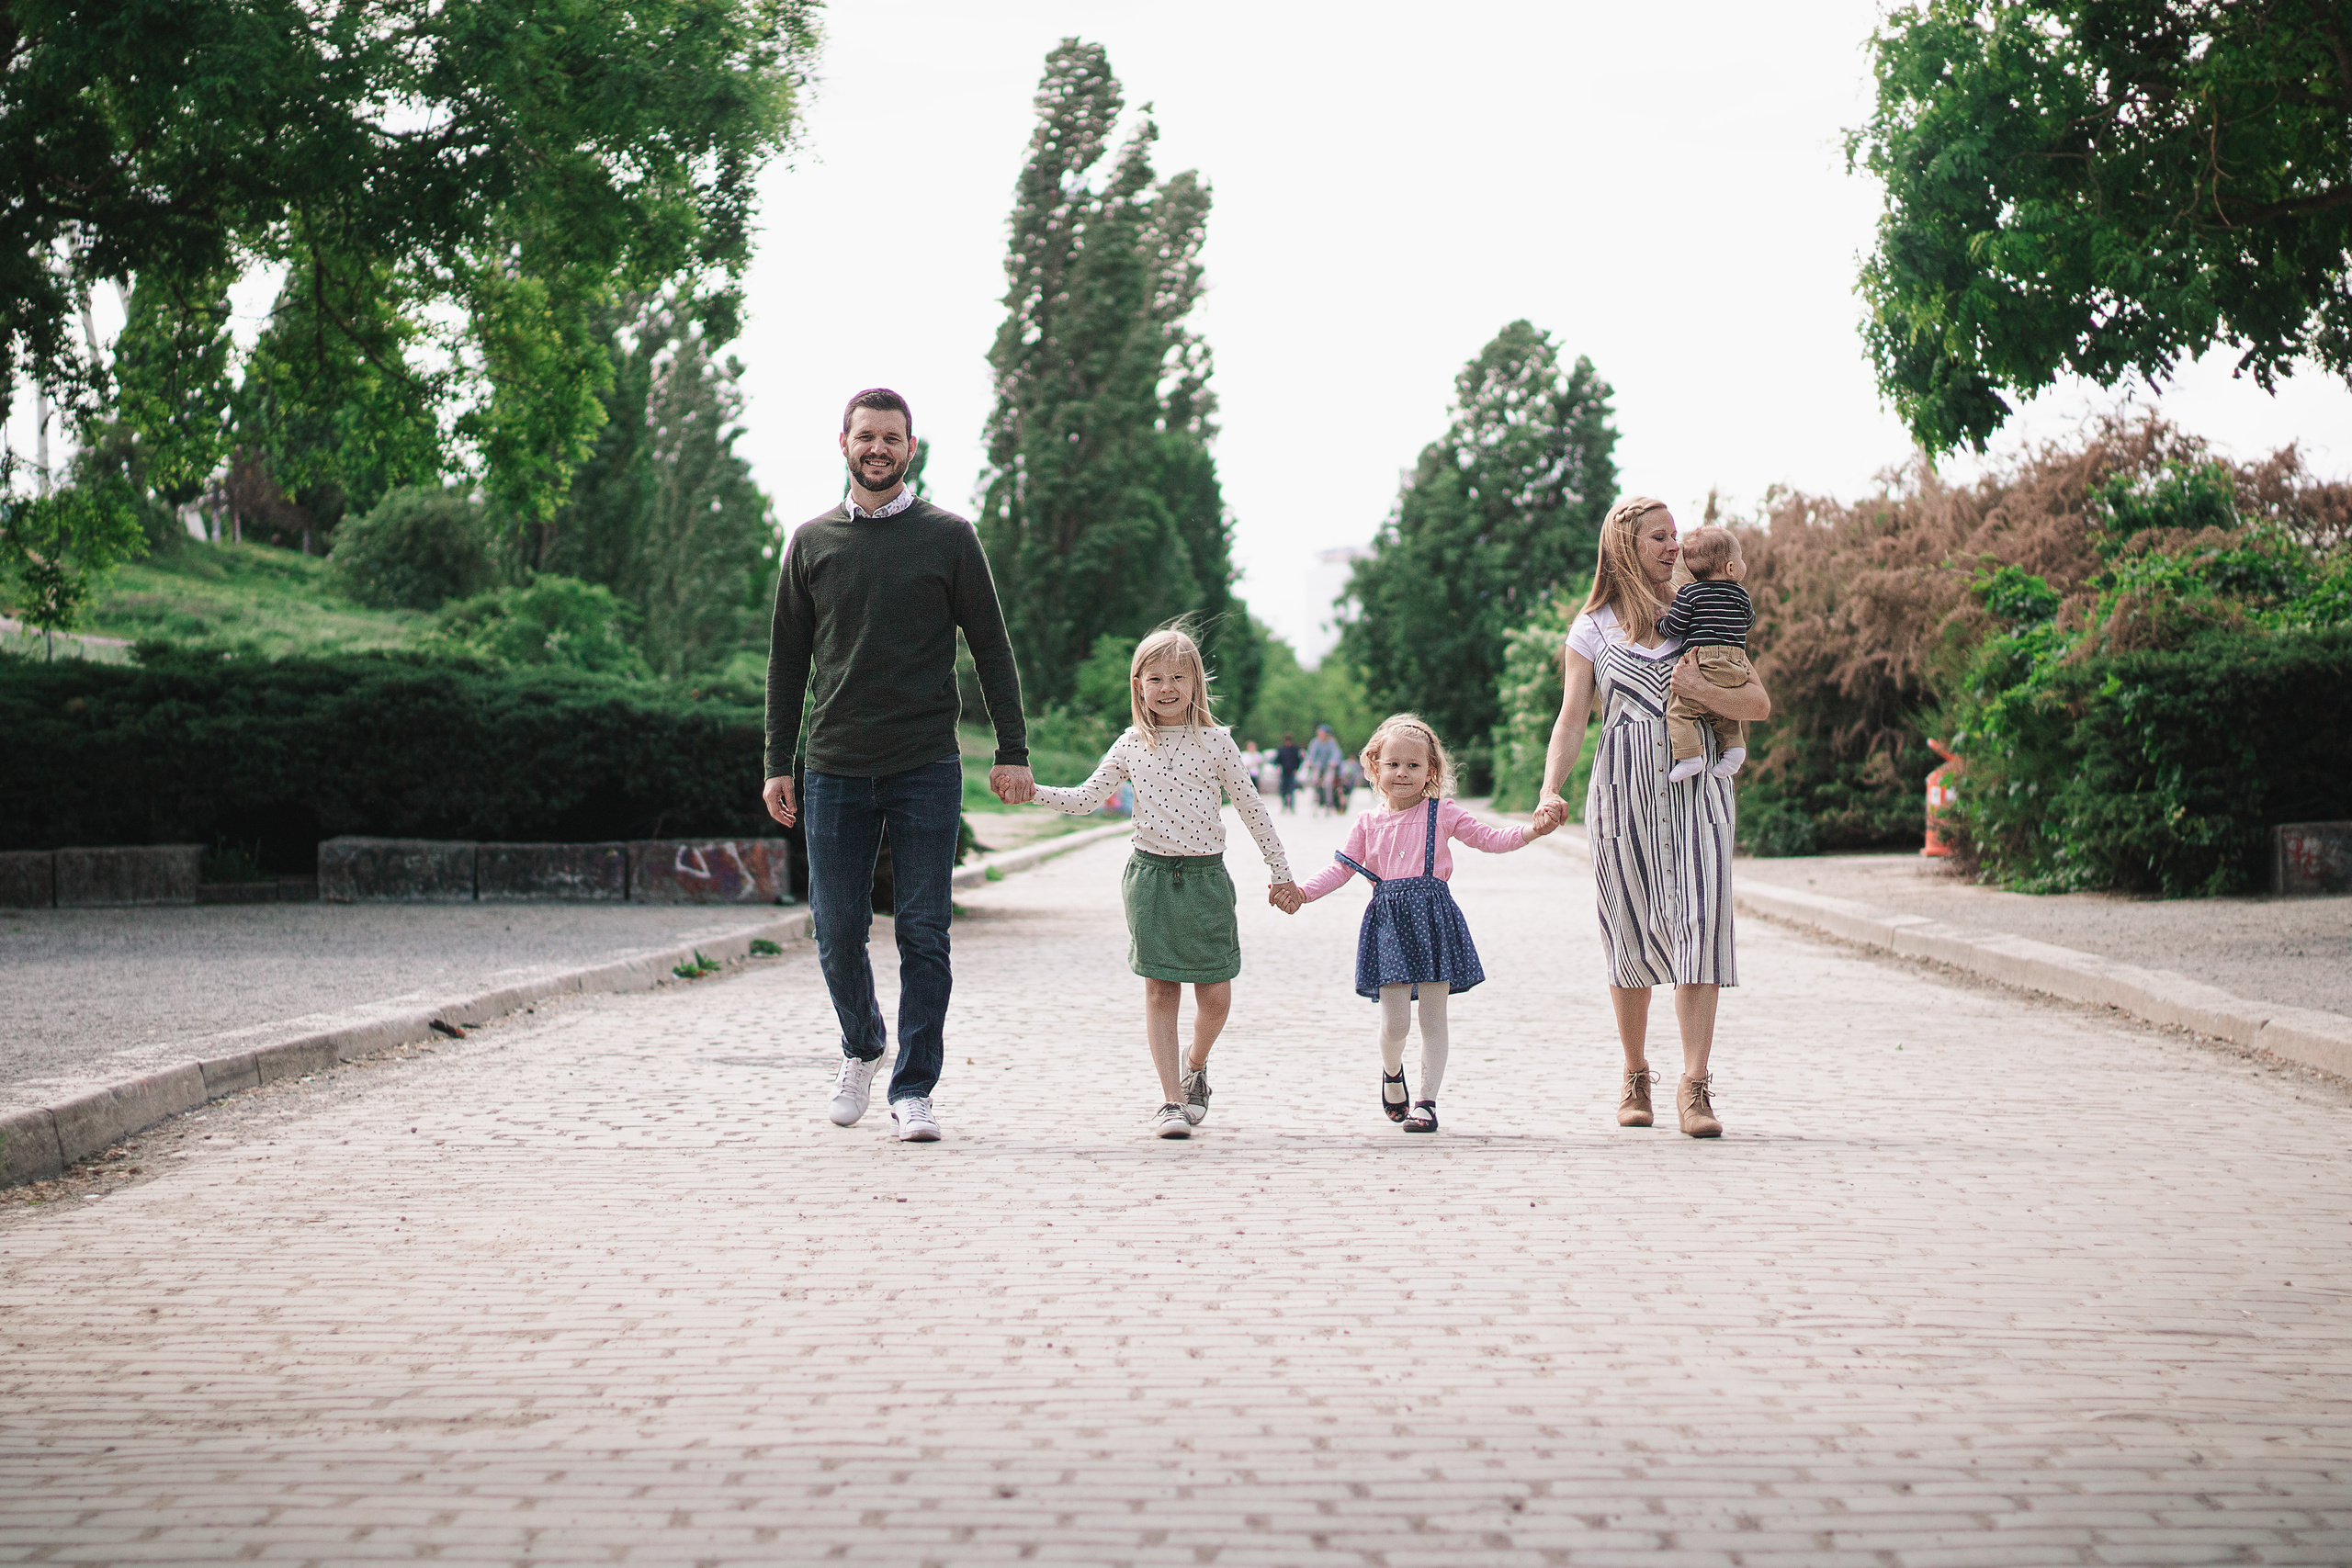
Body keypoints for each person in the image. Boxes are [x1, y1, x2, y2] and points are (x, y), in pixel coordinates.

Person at [762, 388, 1034, 1145]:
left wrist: (1012, 748)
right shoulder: (811, 542)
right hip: (834, 766)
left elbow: (992, 648)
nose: (878, 448)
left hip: (924, 766)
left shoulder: (949, 537)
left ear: (912, 447)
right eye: (866, 436)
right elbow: (787, 662)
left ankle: (914, 1088)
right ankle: (861, 1044)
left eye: (892, 438)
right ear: (843, 443)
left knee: (924, 930)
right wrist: (776, 761)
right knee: (835, 926)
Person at [1531, 497, 1771, 1137]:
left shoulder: (1706, 610)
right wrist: (1550, 788)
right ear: (1625, 546)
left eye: (1676, 535)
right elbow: (1572, 716)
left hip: (1700, 792)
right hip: (1621, 793)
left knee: (1702, 924)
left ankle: (1695, 1086)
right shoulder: (1593, 628)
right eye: (1659, 537)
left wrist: (1703, 693)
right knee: (1629, 932)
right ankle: (1636, 1072)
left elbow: (1755, 699)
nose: (1673, 546)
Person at [1023, 626, 1301, 1138]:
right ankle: (1170, 1100)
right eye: (1156, 678)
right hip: (1149, 878)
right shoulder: (1131, 745)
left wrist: (1280, 872)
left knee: (1215, 992)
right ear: (1139, 686)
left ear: (1196, 684)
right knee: (1160, 990)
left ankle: (1196, 1066)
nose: (1167, 687)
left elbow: (1251, 809)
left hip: (1205, 879)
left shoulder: (1217, 743)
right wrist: (1033, 791)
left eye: (1178, 677)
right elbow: (1087, 798)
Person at [1294, 714, 1553, 1133]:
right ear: (1375, 766)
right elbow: (1340, 870)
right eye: (1393, 764)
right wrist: (1302, 892)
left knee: (1434, 1018)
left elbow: (1490, 838)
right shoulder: (1367, 823)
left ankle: (1427, 1102)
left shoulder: (1443, 813)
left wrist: (1532, 831)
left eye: (1414, 766)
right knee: (1395, 1022)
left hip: (1435, 921)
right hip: (1389, 925)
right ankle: (1392, 1072)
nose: (1402, 773)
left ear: (1430, 771)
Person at [1659, 526, 1756, 783]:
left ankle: (1690, 756)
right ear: (1731, 568)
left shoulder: (1689, 593)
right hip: (1736, 664)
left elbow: (1675, 626)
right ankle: (1734, 750)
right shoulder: (1742, 595)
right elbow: (1748, 622)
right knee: (1724, 713)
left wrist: (1660, 624)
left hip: (1703, 661)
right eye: (1741, 558)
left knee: (1680, 711)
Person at [1304, 724, 1343, 813]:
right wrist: (1310, 762)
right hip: (1318, 766)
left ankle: (1328, 803)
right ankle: (1316, 802)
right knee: (1315, 781)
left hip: (1329, 766)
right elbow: (1312, 754)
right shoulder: (1315, 742)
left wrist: (1334, 761)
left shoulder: (1332, 742)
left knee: (1328, 783)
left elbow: (1336, 753)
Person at [1274, 733, 1304, 813]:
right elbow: (1277, 760)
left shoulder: (1295, 749)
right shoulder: (1281, 749)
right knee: (1283, 791)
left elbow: (1299, 760)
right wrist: (1278, 768)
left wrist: (1296, 769)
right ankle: (1284, 806)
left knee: (1291, 791)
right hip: (1283, 772)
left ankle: (1292, 807)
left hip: (1292, 772)